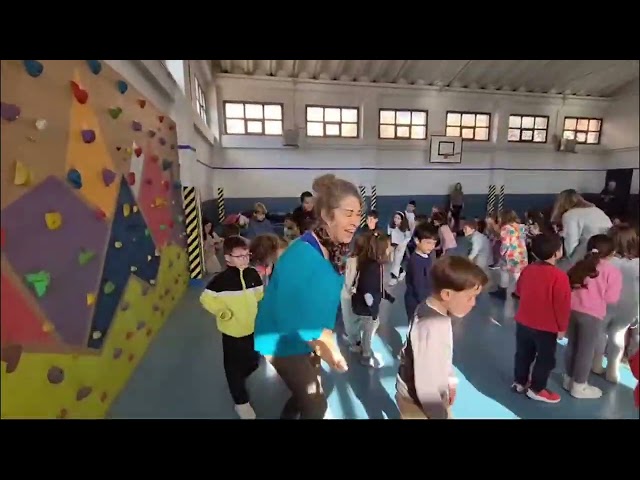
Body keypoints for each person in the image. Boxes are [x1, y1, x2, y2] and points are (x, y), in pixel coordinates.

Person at [253, 174, 360, 419]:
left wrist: (323, 339)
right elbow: (287, 315)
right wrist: (325, 343)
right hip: (281, 338)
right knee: (315, 404)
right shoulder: (301, 253)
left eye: (358, 213)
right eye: (349, 212)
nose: (356, 221)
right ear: (327, 215)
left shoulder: (333, 250)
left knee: (308, 391)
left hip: (308, 335)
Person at [395, 255, 488, 419]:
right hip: (417, 402)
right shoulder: (432, 326)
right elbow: (426, 386)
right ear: (447, 294)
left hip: (431, 395)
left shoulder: (432, 307)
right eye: (470, 297)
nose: (473, 303)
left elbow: (442, 355)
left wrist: (449, 381)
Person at [199, 236, 264, 419]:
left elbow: (259, 295)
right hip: (232, 332)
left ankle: (241, 378)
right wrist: (221, 311)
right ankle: (241, 403)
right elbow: (205, 299)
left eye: (246, 255)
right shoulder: (221, 280)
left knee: (253, 361)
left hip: (252, 329)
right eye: (239, 256)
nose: (244, 259)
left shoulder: (253, 274)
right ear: (227, 258)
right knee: (233, 369)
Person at [511, 233, 570, 403]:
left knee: (523, 354)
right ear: (557, 253)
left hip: (523, 322)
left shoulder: (528, 269)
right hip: (546, 327)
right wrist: (562, 328)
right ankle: (537, 389)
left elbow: (519, 292)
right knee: (545, 359)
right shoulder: (560, 277)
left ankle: (519, 382)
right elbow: (562, 305)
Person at [564, 234, 622, 399]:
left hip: (572, 310)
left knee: (572, 345)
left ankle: (568, 379)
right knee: (586, 350)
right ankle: (579, 385)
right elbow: (612, 299)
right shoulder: (612, 272)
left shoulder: (580, 265)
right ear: (612, 253)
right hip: (592, 315)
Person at [592, 225, 639, 383]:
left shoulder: (606, 262)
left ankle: (596, 364)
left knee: (600, 333)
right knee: (618, 335)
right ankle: (613, 371)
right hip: (629, 306)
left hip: (606, 303)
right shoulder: (636, 264)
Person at [351, 231, 395, 367]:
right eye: (389, 246)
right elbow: (368, 292)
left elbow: (376, 286)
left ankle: (359, 346)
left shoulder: (373, 264)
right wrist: (374, 312)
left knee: (366, 327)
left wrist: (386, 295)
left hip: (364, 305)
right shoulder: (373, 267)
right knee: (369, 331)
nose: (391, 248)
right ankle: (366, 353)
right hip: (367, 308)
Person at [551, 189, 612, 267]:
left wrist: (568, 262)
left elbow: (571, 244)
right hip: (607, 251)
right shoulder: (596, 210)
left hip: (588, 252)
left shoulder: (570, 215)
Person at [404, 222, 438, 322]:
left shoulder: (427, 256)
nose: (431, 246)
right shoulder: (415, 261)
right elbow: (418, 286)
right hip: (416, 302)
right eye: (428, 242)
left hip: (424, 298)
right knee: (416, 326)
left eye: (434, 243)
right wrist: (427, 303)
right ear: (417, 241)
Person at [341, 234, 367, 352]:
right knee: (358, 317)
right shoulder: (368, 260)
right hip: (361, 293)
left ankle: (354, 342)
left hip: (348, 294)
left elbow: (348, 279)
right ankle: (360, 339)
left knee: (349, 319)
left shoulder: (351, 260)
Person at [388, 211, 412, 285]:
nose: (396, 219)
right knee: (394, 261)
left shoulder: (405, 229)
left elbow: (408, 238)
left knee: (396, 262)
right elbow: (389, 236)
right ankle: (402, 272)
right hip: (393, 246)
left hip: (401, 247)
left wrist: (402, 245)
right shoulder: (391, 226)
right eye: (395, 217)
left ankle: (394, 278)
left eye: (398, 218)